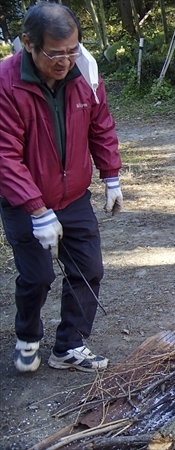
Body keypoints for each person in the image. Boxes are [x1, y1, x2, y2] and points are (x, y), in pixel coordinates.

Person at [0, 2, 122, 372]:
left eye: (72, 50)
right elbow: (4, 155)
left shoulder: (85, 72)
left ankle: (68, 345)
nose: (65, 61)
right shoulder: (6, 84)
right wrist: (37, 210)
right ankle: (27, 336)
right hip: (24, 201)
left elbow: (100, 124)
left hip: (73, 197)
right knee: (38, 276)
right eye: (55, 53)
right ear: (28, 44)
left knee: (89, 270)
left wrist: (111, 175)